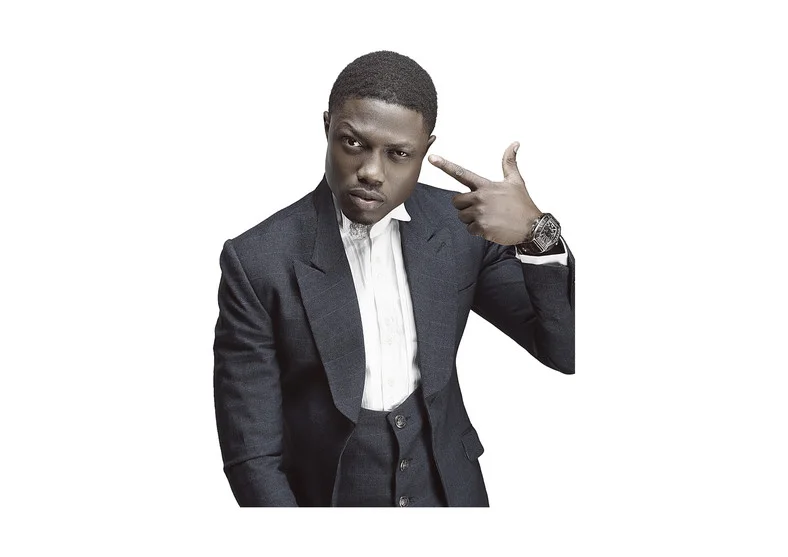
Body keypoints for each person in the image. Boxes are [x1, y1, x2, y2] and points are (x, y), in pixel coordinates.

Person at [213, 50, 574, 507]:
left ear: (424, 149)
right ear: (327, 127)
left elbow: (567, 351)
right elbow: (252, 453)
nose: (371, 172)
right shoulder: (258, 261)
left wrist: (537, 234)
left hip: (451, 496)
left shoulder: (460, 229)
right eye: (353, 143)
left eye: (399, 154)